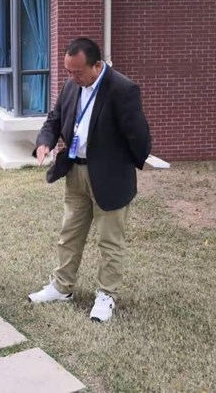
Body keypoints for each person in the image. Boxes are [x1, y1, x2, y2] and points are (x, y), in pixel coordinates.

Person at [28, 38, 151, 322]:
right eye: (68, 71)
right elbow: (54, 119)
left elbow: (140, 138)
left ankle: (106, 294)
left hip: (110, 178)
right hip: (75, 173)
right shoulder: (71, 86)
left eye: (78, 72)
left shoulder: (122, 89)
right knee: (69, 234)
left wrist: (123, 167)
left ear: (97, 65)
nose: (72, 77)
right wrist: (44, 142)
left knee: (110, 242)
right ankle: (62, 286)